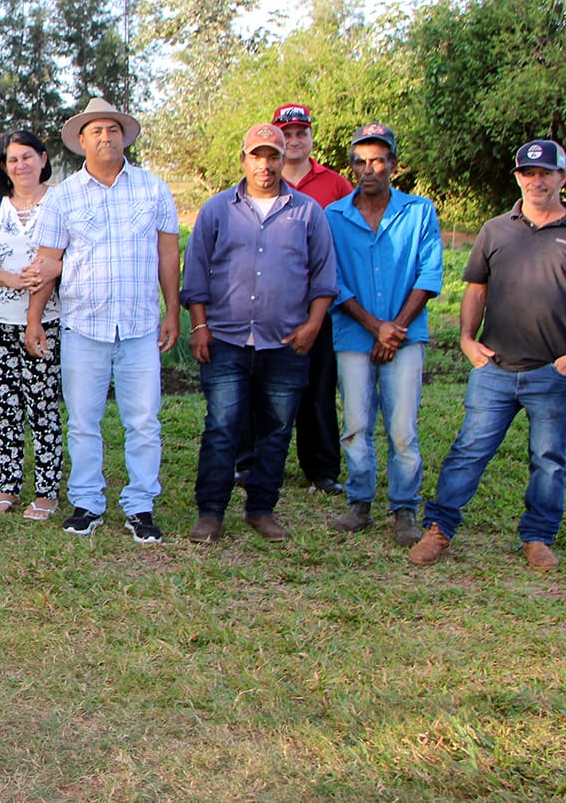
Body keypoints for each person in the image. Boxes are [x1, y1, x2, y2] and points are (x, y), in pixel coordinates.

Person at [410, 140, 566, 572]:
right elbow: (476, 289)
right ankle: (440, 529)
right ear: (518, 177)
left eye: (546, 173)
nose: (536, 181)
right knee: (468, 450)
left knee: (549, 460)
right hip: (495, 368)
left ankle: (538, 537)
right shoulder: (496, 229)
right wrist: (466, 339)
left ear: (563, 176)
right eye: (527, 173)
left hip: (553, 371)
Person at [22, 98, 181, 542]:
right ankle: (88, 502)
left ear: (124, 137)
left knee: (144, 420)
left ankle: (141, 505)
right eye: (96, 131)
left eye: (113, 129)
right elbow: (48, 262)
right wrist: (35, 320)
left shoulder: (153, 189)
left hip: (139, 325)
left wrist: (173, 311)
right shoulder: (65, 198)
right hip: (83, 326)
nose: (105, 137)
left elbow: (169, 253)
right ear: (82, 141)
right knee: (83, 421)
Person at [181, 123, 338, 543]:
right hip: (227, 340)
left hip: (286, 342)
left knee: (276, 430)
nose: (265, 165)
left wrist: (312, 325)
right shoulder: (217, 210)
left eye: (273, 156)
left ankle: (261, 509)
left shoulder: (307, 212)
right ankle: (210, 512)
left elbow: (324, 279)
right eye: (257, 155)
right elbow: (195, 273)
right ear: (243, 159)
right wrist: (199, 326)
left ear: (284, 160)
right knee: (222, 427)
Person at [324, 124, 443, 546]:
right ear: (352, 166)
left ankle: (404, 508)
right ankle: (359, 502)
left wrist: (395, 330)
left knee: (402, 428)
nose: (369, 169)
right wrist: (376, 327)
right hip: (355, 336)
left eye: (378, 160)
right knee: (355, 424)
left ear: (393, 164)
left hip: (406, 337)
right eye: (360, 161)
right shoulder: (334, 216)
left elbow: (428, 274)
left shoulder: (418, 212)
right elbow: (332, 280)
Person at [0, 130, 63, 520]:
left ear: (42, 159)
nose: (19, 165)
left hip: (43, 323)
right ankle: (8, 486)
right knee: (5, 405)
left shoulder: (58, 203)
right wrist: (10, 279)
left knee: (42, 404)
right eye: (12, 159)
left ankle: (46, 490)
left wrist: (33, 313)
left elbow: (56, 262)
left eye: (27, 157)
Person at [270, 103, 352, 495]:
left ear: (311, 137)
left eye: (301, 132)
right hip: (270, 303)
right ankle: (251, 461)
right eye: (287, 134)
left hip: (318, 301)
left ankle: (322, 469)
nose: (295, 140)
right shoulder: (262, 179)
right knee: (263, 386)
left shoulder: (335, 185)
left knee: (318, 387)